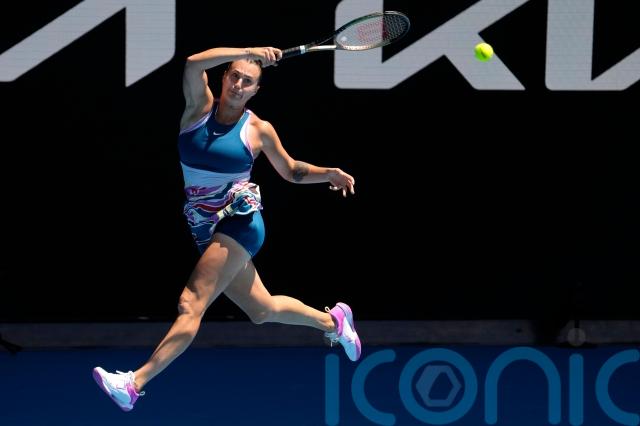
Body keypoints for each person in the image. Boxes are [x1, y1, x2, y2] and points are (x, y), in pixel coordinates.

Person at [91, 46, 361, 412]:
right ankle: (334, 322)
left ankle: (134, 383)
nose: (238, 85)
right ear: (223, 77)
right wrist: (249, 50)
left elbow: (292, 171)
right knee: (262, 310)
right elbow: (192, 63)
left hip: (240, 221)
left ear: (255, 90)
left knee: (191, 303)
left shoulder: (258, 130)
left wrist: (328, 173)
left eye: (248, 81)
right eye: (234, 76)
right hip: (204, 226)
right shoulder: (197, 109)